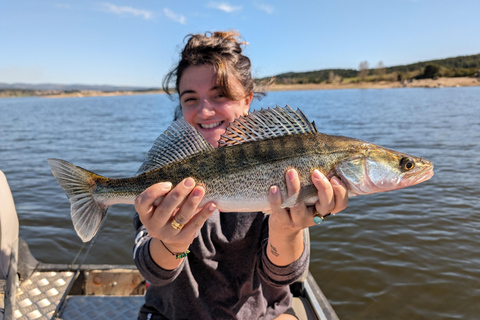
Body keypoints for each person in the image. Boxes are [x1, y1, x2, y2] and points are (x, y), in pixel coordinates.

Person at [133, 31, 348, 320]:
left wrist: (287, 231)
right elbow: (155, 273)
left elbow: (280, 274)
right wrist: (171, 243)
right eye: (190, 99)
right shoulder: (162, 179)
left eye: (220, 95)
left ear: (247, 101)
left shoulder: (284, 169)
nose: (205, 110)